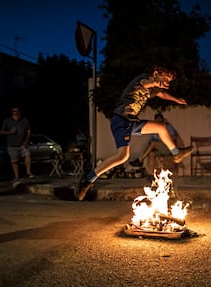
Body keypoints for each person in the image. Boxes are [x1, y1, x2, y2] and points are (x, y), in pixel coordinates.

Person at [77, 64, 193, 201]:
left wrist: (176, 100)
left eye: (169, 81)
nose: (167, 82)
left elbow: (162, 94)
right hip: (121, 120)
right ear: (155, 73)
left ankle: (176, 154)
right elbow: (147, 83)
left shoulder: (152, 90)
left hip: (131, 122)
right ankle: (88, 179)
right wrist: (156, 82)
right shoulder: (142, 80)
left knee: (161, 128)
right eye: (165, 78)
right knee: (122, 156)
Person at [0, 105, 34, 181]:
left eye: (17, 110)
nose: (16, 112)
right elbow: (1, 132)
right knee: (14, 161)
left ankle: (28, 172)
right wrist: (9, 132)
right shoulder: (7, 121)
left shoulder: (24, 120)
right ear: (12, 112)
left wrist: (26, 141)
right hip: (11, 144)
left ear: (20, 111)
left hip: (23, 143)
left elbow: (28, 131)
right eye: (14, 111)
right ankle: (16, 176)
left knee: (27, 155)